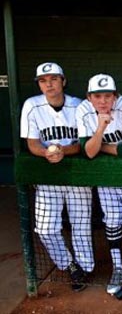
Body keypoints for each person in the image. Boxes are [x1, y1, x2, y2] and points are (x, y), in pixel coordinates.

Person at [20, 62, 93, 292]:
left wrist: (63, 151)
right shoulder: (32, 106)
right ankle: (69, 264)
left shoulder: (80, 105)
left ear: (63, 81)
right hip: (49, 174)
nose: (48, 84)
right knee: (44, 228)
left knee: (80, 226)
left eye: (53, 79)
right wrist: (45, 152)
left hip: (76, 174)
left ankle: (84, 269)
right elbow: (31, 143)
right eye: (43, 80)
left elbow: (84, 144)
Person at [75, 74, 122, 295]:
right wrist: (100, 130)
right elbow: (88, 154)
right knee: (112, 219)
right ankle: (117, 265)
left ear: (116, 96)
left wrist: (99, 147)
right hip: (106, 174)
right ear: (89, 97)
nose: (103, 101)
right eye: (97, 96)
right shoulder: (83, 110)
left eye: (107, 96)